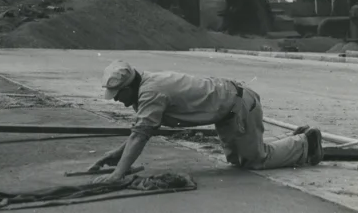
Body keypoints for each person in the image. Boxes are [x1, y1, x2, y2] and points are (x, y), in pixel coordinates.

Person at [88, 60, 323, 184]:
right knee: (237, 162)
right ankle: (296, 140)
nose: (117, 100)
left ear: (129, 87)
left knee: (256, 162)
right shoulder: (146, 86)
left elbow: (140, 135)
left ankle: (307, 142)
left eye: (118, 94)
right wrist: (118, 157)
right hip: (228, 108)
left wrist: (117, 175)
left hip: (239, 106)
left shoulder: (151, 93)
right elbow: (141, 130)